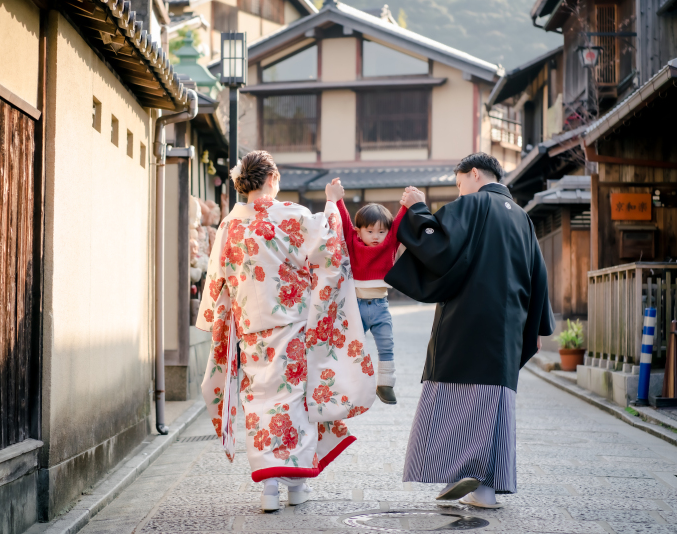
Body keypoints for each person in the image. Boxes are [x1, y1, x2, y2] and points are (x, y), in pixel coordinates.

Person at [196, 150, 377, 512]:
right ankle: (297, 487)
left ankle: (268, 491)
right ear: (272, 179)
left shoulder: (229, 226)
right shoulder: (292, 216)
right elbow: (330, 248)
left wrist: (223, 325)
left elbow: (217, 283)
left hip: (250, 331)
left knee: (260, 402)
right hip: (292, 326)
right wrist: (331, 205)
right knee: (295, 402)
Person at [385, 153, 554, 509]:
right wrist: (535, 327)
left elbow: (441, 247)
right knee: (494, 403)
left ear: (474, 174)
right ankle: (485, 490)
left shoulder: (476, 205)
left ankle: (459, 472)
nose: (459, 191)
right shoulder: (522, 218)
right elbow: (538, 276)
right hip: (509, 327)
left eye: (459, 182)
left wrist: (417, 209)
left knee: (454, 397)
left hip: (468, 319)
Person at [326, 178, 406, 404]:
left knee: (386, 345)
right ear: (359, 231)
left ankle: (385, 384)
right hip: (356, 307)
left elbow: (399, 224)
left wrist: (407, 205)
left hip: (380, 307)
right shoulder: (353, 242)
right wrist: (337, 197)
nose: (375, 236)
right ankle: (345, 385)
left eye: (381, 231)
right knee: (349, 347)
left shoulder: (389, 244)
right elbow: (343, 220)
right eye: (370, 231)